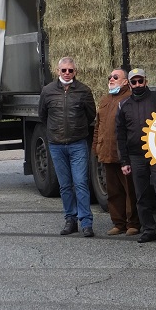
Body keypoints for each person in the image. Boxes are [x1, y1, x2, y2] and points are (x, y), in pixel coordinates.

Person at [115, 68, 156, 245]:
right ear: (129, 83)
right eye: (134, 82)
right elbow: (119, 135)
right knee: (141, 195)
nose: (137, 85)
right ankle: (148, 229)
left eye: (140, 81)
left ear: (146, 81)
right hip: (136, 156)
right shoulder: (123, 105)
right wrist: (124, 161)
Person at [39, 56, 97, 238]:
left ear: (75, 71)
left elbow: (91, 115)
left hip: (77, 143)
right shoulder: (47, 91)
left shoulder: (84, 91)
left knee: (80, 183)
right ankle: (70, 220)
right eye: (63, 70)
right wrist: (56, 131)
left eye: (70, 70)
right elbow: (43, 115)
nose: (67, 73)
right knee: (64, 185)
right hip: (56, 145)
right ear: (58, 71)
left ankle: (86, 222)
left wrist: (77, 129)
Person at [92, 67, 140, 237]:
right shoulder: (105, 99)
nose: (111, 79)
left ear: (126, 82)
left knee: (130, 190)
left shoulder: (129, 99)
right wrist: (96, 148)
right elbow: (98, 126)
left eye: (115, 77)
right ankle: (118, 223)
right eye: (110, 77)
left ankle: (132, 223)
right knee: (113, 191)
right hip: (107, 153)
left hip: (122, 155)